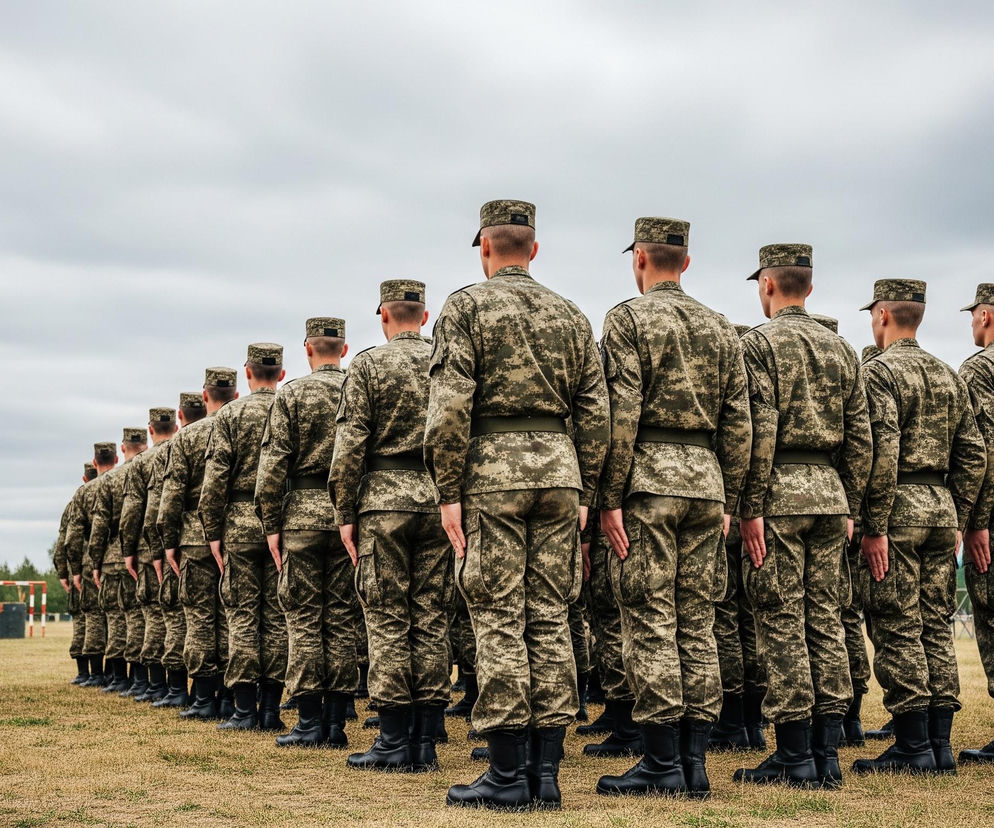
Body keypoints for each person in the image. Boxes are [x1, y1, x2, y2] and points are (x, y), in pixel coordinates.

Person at [426, 200, 610, 810]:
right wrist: (583, 485)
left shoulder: (466, 307)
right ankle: (547, 773)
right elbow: (595, 411)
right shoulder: (570, 314)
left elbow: (450, 405)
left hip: (492, 474)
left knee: (500, 614)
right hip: (559, 474)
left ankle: (507, 775)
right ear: (534, 250)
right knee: (551, 613)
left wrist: (447, 490)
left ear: (485, 249)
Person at [594, 217, 752, 798]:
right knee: (697, 620)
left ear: (639, 259)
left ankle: (662, 762)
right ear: (684, 262)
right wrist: (731, 498)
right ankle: (694, 763)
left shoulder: (628, 320)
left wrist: (609, 497)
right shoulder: (719, 327)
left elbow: (622, 414)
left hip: (651, 482)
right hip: (706, 484)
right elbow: (740, 423)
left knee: (650, 615)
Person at [734, 244, 872, 789]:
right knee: (827, 621)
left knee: (781, 620)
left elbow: (758, 429)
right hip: (829, 495)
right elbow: (862, 438)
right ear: (808, 288)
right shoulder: (841, 350)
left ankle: (794, 756)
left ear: (767, 285)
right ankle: (827, 753)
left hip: (780, 496)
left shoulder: (760, 345)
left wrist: (749, 506)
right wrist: (853, 508)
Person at [851, 280, 987, 775]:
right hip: (940, 508)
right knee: (935, 624)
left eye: (873, 314)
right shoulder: (948, 374)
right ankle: (940, 745)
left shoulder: (880, 373)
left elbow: (880, 452)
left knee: (896, 622)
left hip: (900, 510)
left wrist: (875, 524)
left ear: (884, 314)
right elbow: (974, 452)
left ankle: (912, 745)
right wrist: (962, 514)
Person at [331, 283, 452, 772]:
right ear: (423, 318)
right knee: (431, 616)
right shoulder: (444, 360)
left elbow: (349, 446)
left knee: (386, 617)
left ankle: (393, 740)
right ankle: (425, 741)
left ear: (384, 315)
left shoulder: (366, 366)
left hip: (383, 503)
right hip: (437, 499)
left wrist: (344, 511)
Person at [254, 318, 356, 749]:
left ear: (308, 349)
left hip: (301, 519)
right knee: (343, 619)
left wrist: (270, 522)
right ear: (345, 348)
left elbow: (273, 463)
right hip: (348, 514)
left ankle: (310, 722)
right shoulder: (357, 384)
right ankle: (336, 724)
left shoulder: (292, 393)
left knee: (304, 620)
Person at [200, 345, 287, 731]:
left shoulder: (231, 414)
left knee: (242, 616)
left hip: (238, 524)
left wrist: (211, 530)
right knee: (277, 618)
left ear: (247, 373)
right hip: (284, 523)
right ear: (281, 373)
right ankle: (271, 709)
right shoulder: (290, 404)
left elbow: (215, 479)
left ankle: (244, 709)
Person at [160, 386, 235, 721]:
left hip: (194, 536)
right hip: (235, 531)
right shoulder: (239, 422)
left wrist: (168, 540)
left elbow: (172, 492)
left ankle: (204, 697)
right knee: (233, 615)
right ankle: (231, 695)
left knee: (200, 617)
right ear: (234, 393)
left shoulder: (187, 437)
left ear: (207, 396)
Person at [709, 323, 767, 753]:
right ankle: (752, 722)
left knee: (725, 618)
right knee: (753, 621)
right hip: (753, 509)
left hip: (734, 511)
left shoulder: (724, 387)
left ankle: (733, 722)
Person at [120, 407, 178, 703]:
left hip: (153, 549)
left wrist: (128, 549)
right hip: (193, 542)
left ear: (151, 430)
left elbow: (134, 514)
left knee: (156, 616)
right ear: (176, 424)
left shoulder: (140, 464)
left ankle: (157, 684)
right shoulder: (189, 443)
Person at [959, 283, 994, 765]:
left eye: (973, 316)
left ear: (986, 316)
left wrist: (974, 520)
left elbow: (981, 450)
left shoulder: (980, 371)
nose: (970, 323)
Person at [89, 427, 148, 694]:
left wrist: (95, 562)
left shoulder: (109, 480)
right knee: (145, 617)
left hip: (115, 556)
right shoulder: (152, 463)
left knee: (119, 618)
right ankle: (144, 678)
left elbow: (99, 527)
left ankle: (121, 678)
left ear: (122, 449)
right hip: (148, 549)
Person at [65, 442, 118, 687]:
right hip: (125, 555)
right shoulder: (123, 478)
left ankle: (94, 673)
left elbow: (71, 537)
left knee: (94, 617)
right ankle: (119, 675)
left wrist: (73, 569)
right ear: (116, 459)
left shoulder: (84, 492)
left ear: (95, 464)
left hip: (90, 562)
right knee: (122, 617)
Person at [54, 462, 98, 685]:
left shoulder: (75, 503)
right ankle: (108, 673)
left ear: (84, 479)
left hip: (79, 568)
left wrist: (65, 571)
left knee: (83, 621)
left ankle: (85, 672)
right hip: (106, 565)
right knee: (108, 621)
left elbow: (65, 541)